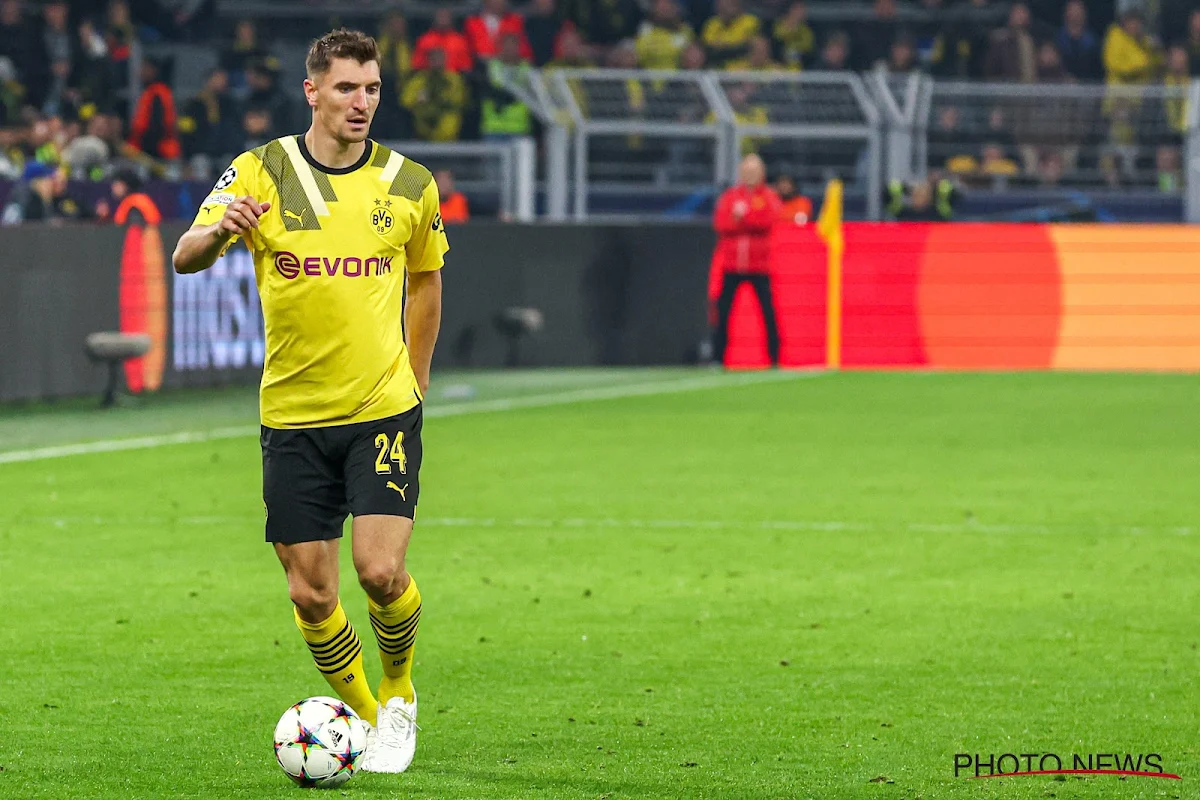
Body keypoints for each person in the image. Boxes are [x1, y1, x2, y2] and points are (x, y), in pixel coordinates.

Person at [171, 28, 448, 775]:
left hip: (381, 409)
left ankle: (396, 695)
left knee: (380, 572)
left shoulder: (408, 184)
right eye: (348, 88)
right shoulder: (259, 172)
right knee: (310, 590)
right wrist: (220, 230)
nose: (362, 103)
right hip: (292, 416)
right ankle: (359, 712)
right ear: (312, 92)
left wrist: (415, 379)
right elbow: (183, 255)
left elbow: (427, 279)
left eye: (373, 89)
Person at [709, 153, 782, 367]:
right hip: (732, 265)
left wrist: (744, 218)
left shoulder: (768, 196)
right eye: (746, 171)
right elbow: (722, 224)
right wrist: (743, 222)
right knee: (723, 312)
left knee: (768, 312)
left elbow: (767, 221)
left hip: (759, 266)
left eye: (754, 171)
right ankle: (717, 358)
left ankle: (774, 358)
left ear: (762, 173)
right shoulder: (730, 197)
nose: (750, 175)